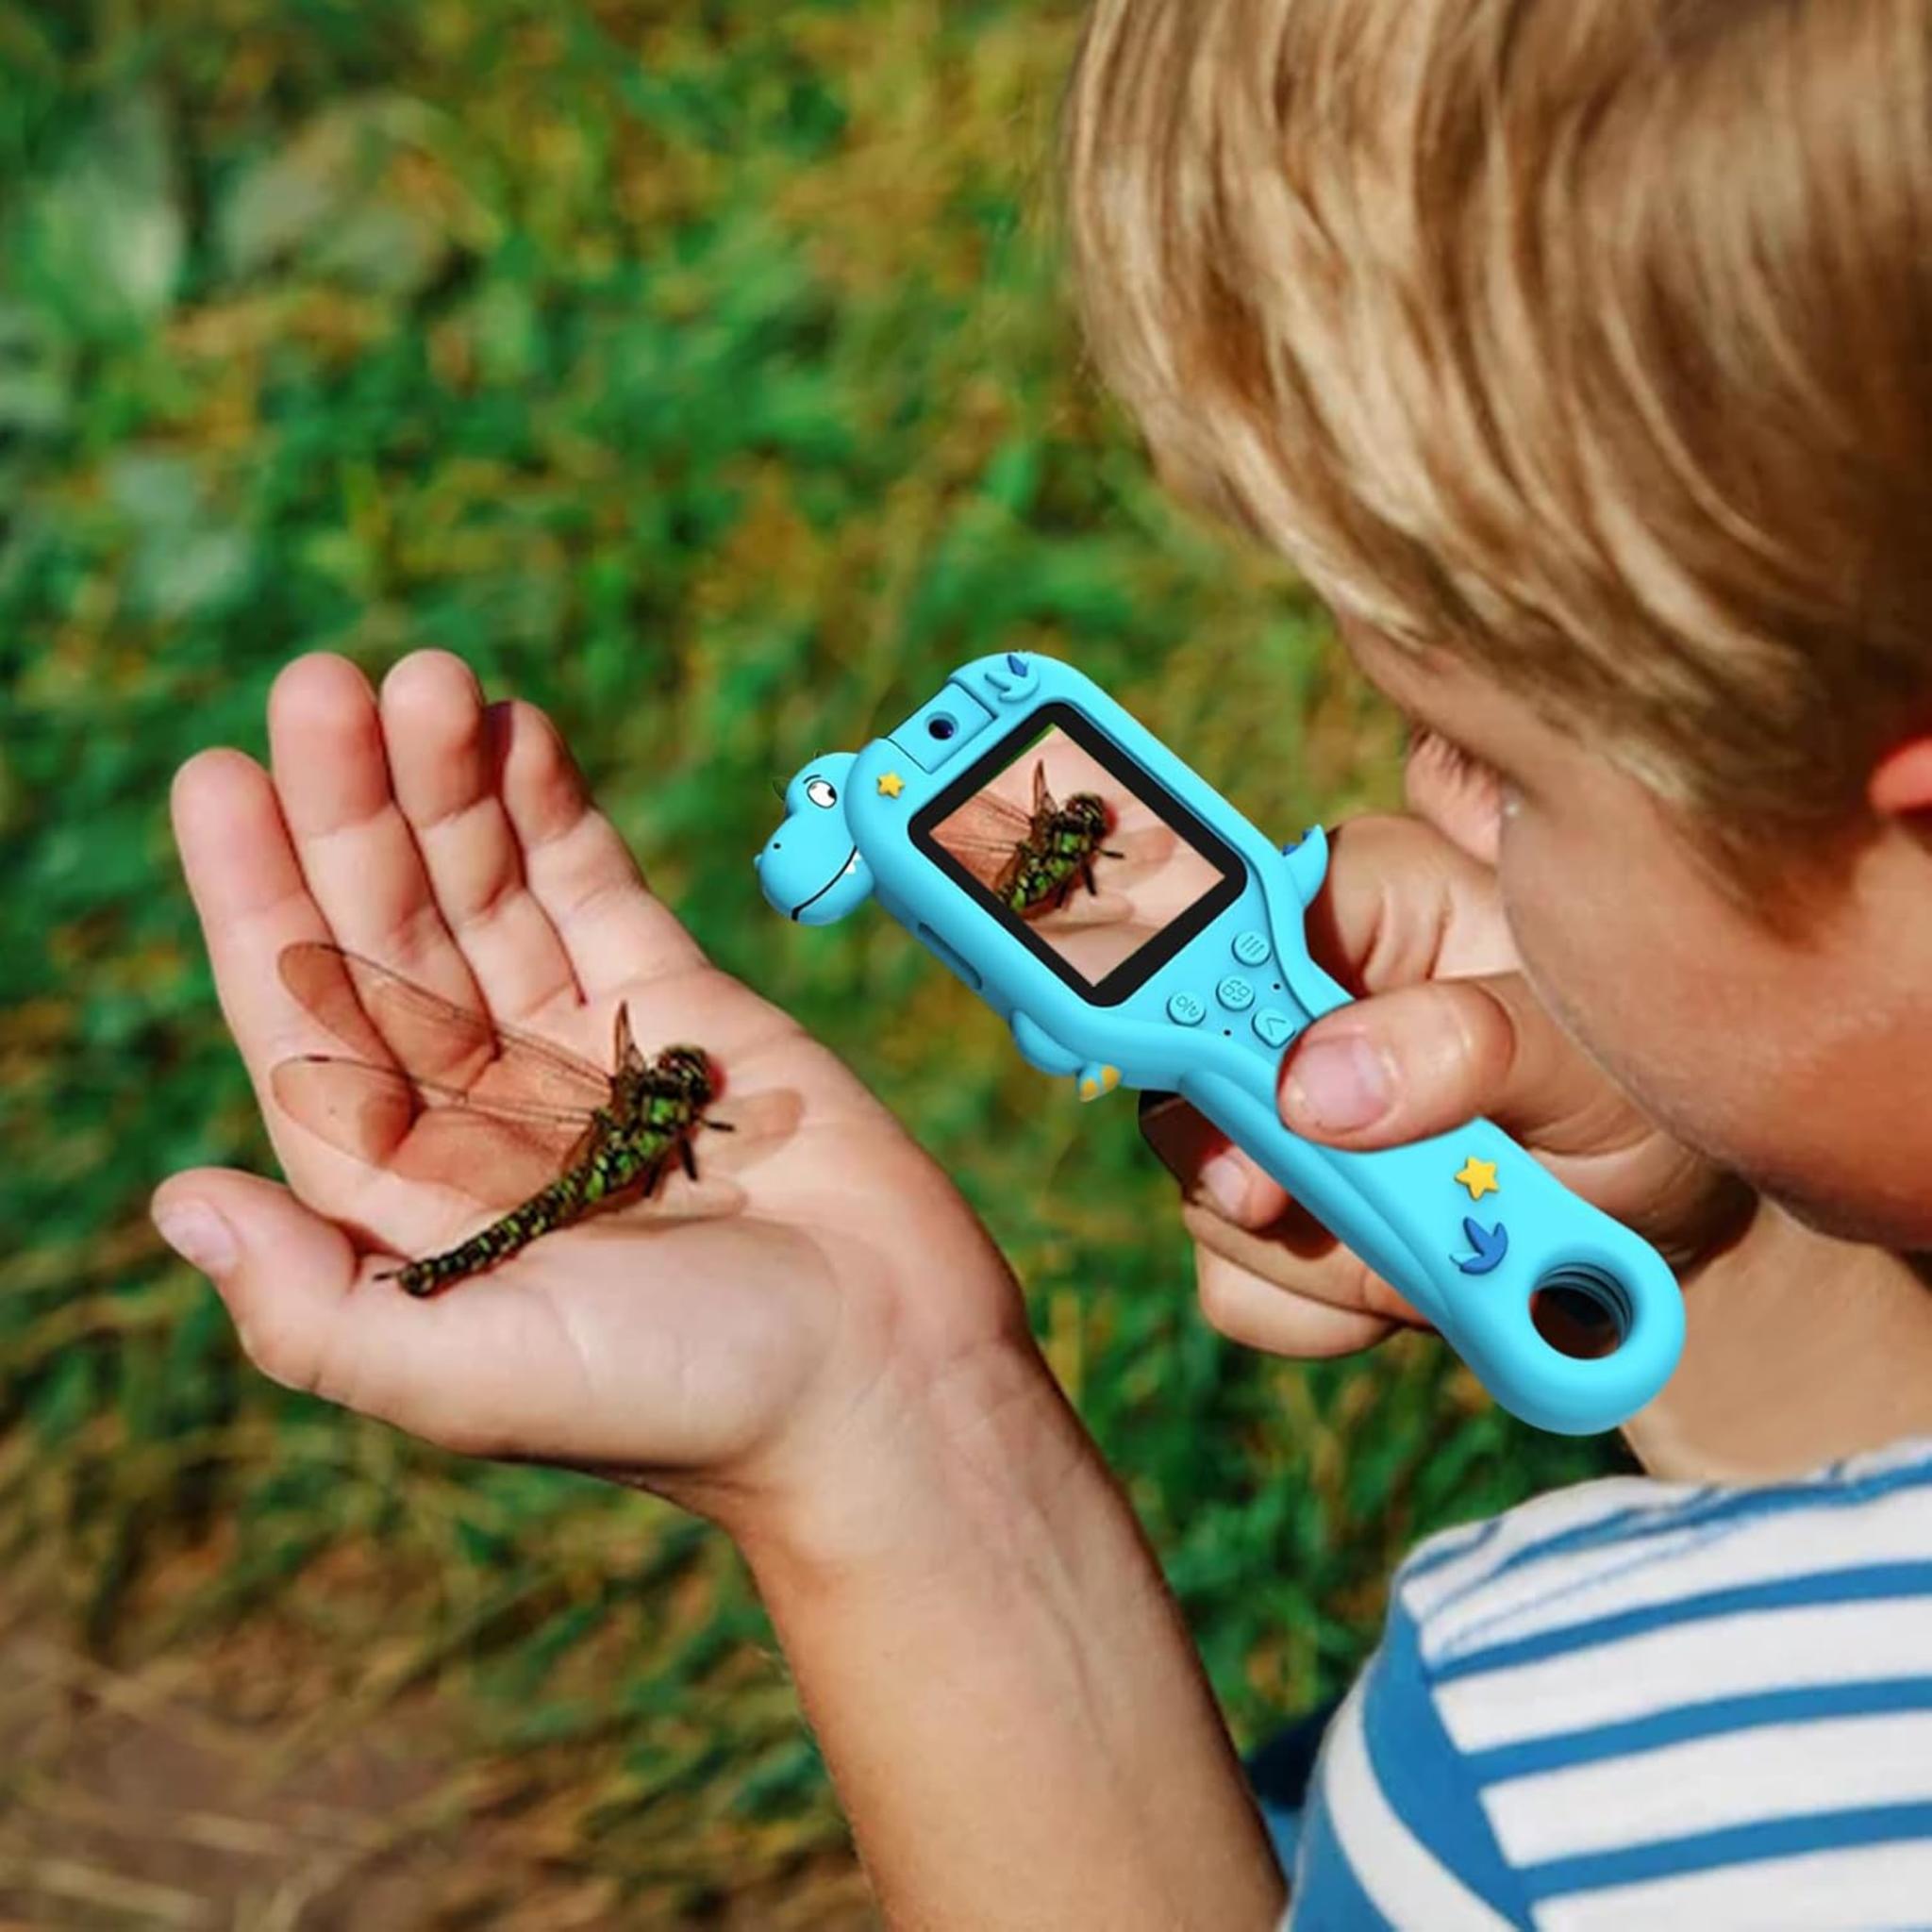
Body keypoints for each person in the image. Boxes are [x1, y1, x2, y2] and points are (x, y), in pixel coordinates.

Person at [150, 0, 1932, 1922]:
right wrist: (1722, 1258)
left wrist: (888, 1445)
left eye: (1503, 771)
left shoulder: (1545, 1773)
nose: (1436, 808)